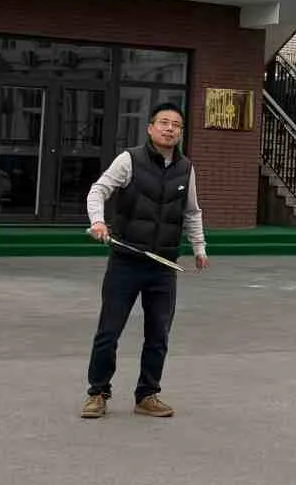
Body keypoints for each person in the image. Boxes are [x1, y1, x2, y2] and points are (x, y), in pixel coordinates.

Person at [81, 103, 209, 419]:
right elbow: (98, 190)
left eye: (176, 125)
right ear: (150, 128)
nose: (169, 128)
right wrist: (98, 221)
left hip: (163, 265)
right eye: (163, 122)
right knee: (109, 331)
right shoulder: (129, 160)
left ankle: (147, 395)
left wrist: (199, 247)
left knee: (158, 334)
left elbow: (192, 211)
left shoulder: (186, 168)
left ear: (181, 133)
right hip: (126, 261)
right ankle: (97, 393)